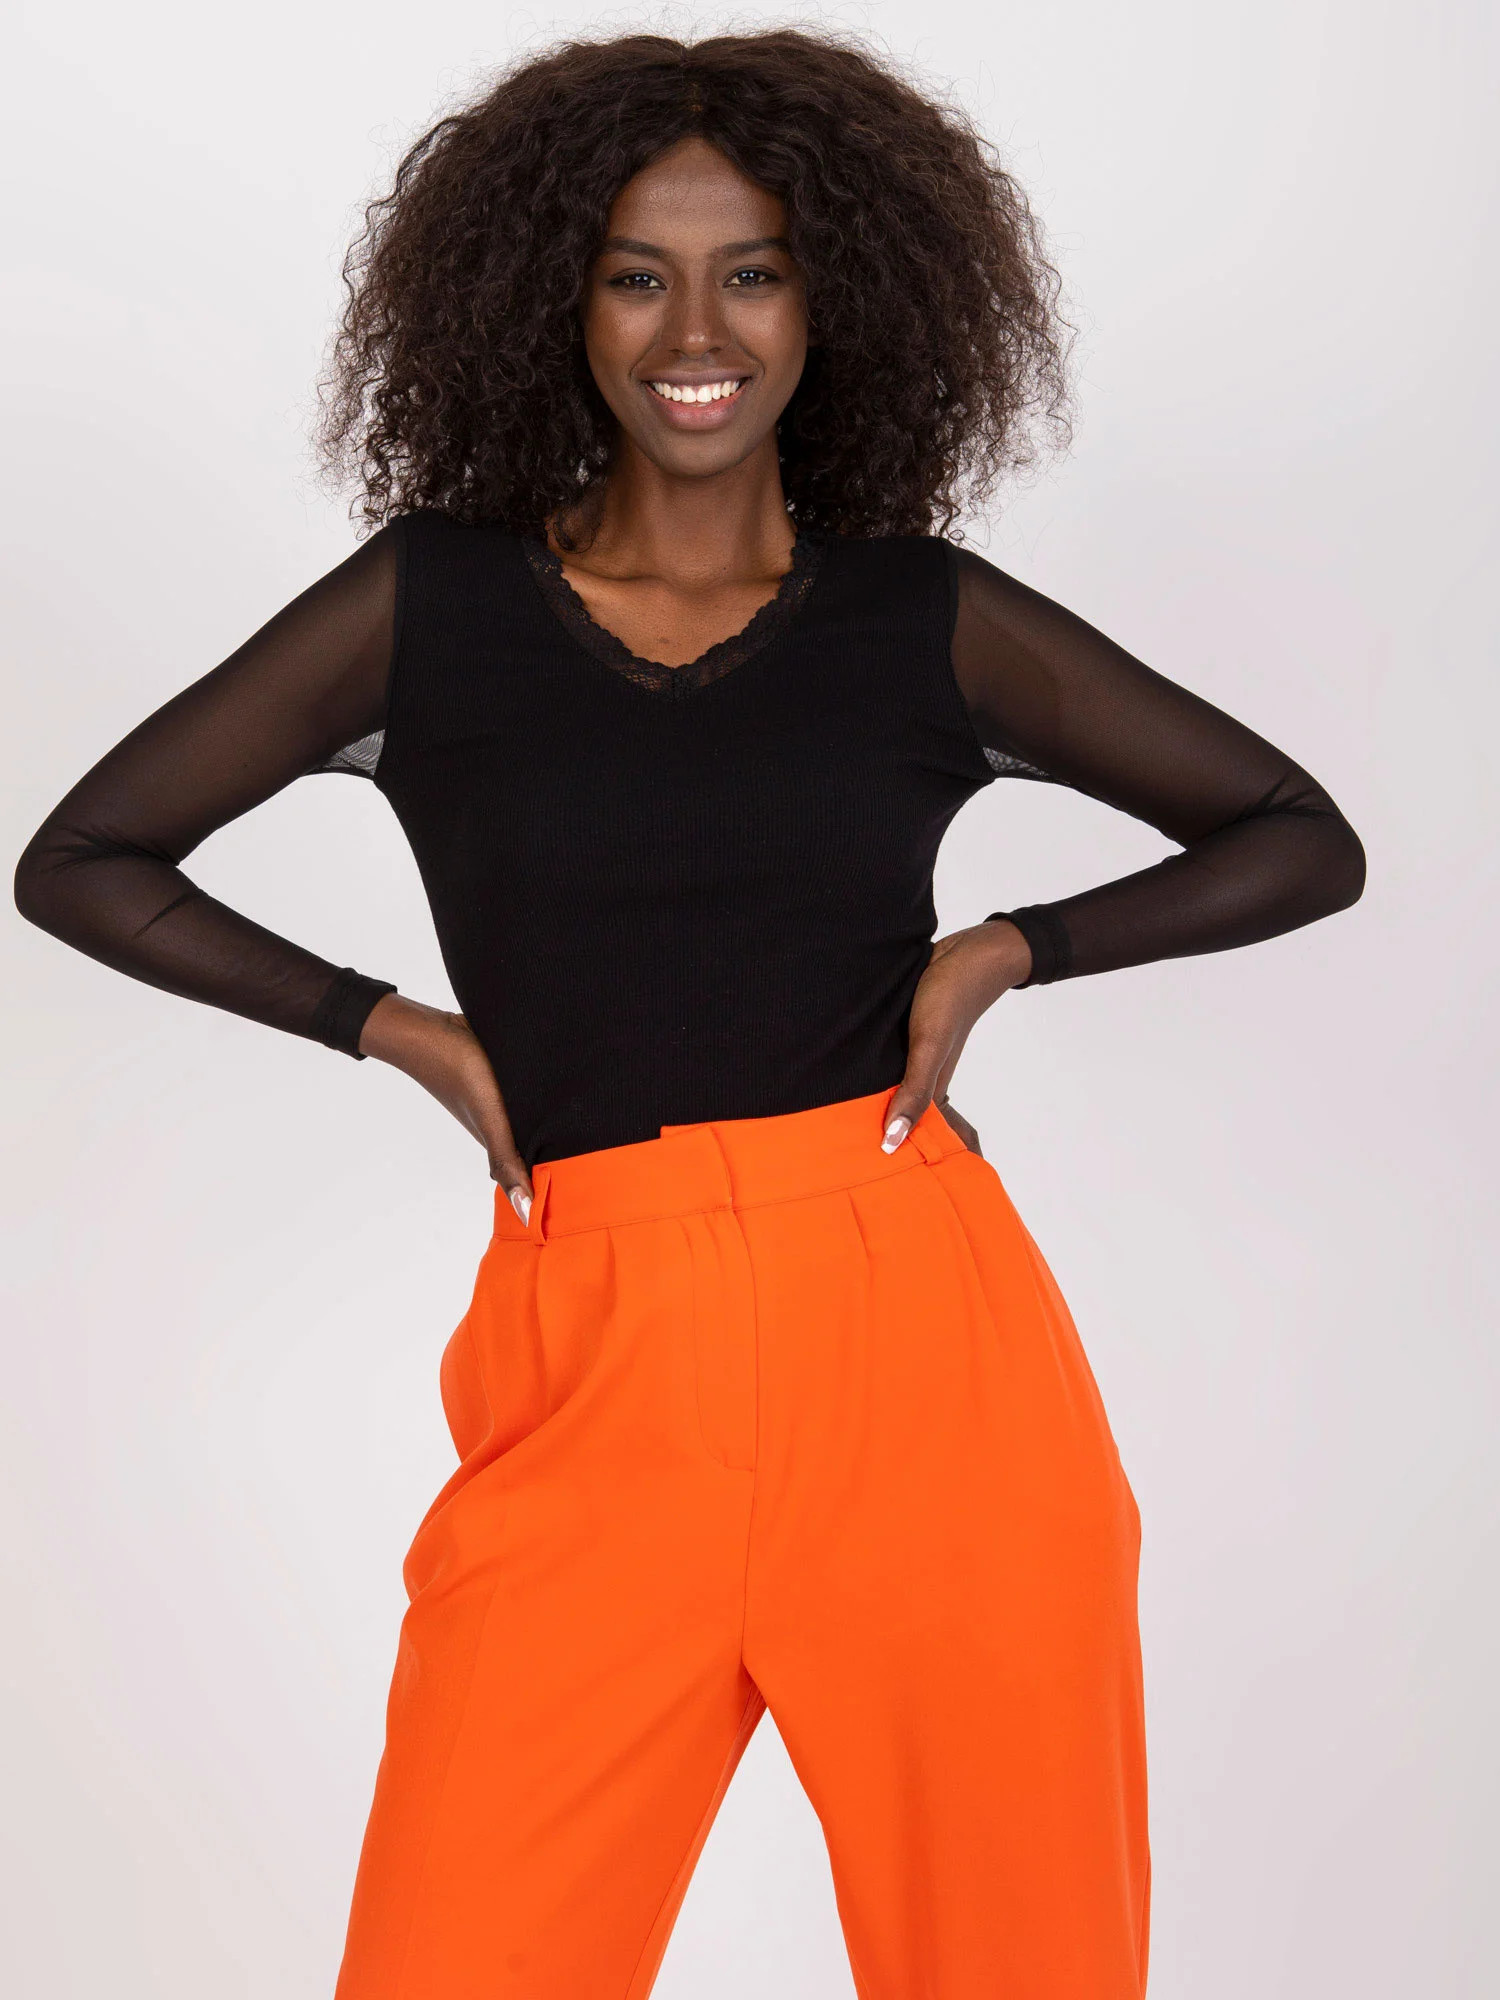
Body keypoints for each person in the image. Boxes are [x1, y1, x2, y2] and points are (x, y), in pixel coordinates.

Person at [12, 28, 1365, 2000]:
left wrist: (1009, 946)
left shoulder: (919, 618)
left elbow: (1297, 835)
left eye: (756, 272)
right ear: (554, 301)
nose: (698, 331)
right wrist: (392, 1025)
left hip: (924, 1355)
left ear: (836, 301)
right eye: (638, 274)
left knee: (1020, 1966)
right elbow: (86, 856)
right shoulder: (429, 608)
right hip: (590, 1360)